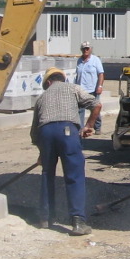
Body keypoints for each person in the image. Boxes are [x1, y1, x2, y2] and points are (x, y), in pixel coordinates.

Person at [30, 67, 101, 236]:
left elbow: (34, 132)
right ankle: (78, 222)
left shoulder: (41, 98)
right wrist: (89, 125)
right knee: (74, 175)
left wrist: (42, 152)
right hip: (68, 131)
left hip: (45, 132)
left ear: (48, 82)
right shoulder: (73, 88)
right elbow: (96, 104)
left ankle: (46, 218)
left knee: (47, 173)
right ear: (62, 79)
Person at [74, 41, 105, 134]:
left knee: (95, 109)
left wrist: (100, 86)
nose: (85, 50)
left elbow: (101, 74)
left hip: (92, 89)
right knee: (80, 110)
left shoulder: (95, 60)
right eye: (84, 49)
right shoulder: (79, 61)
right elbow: (76, 75)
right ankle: (81, 129)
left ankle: (97, 127)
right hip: (81, 89)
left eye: (87, 48)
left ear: (90, 49)